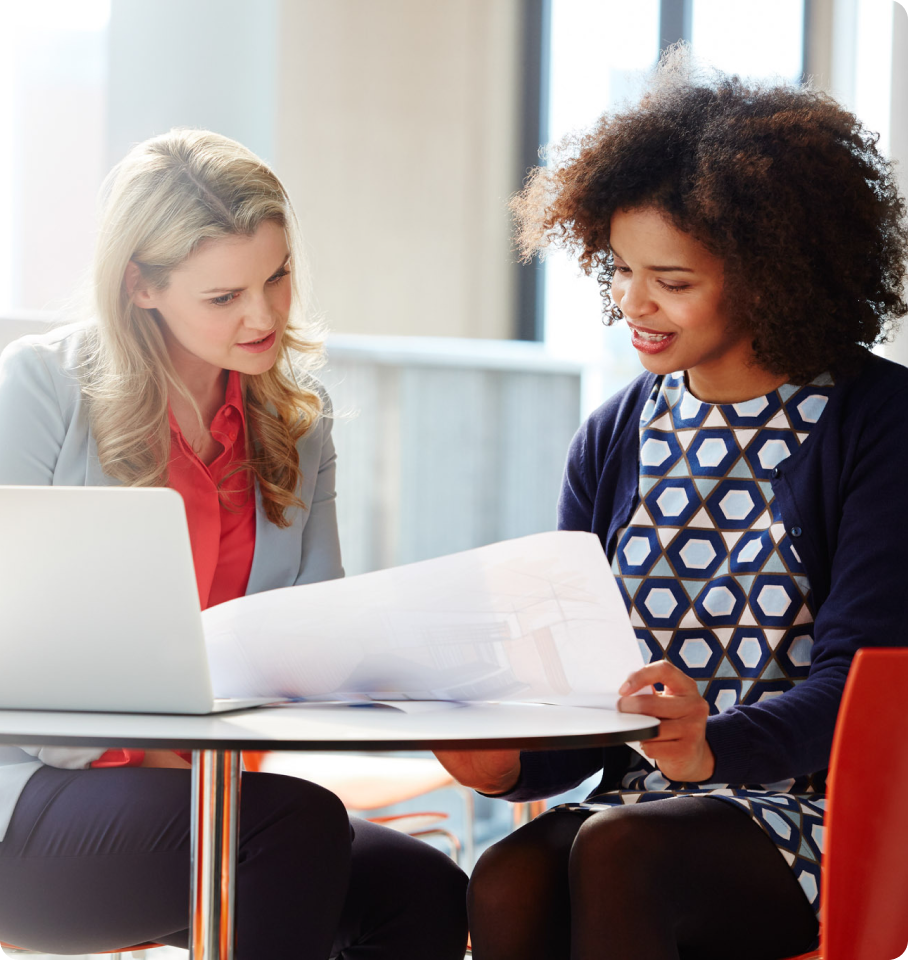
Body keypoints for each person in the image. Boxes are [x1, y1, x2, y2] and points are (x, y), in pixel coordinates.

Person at [435, 50, 908, 960]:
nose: (633, 304)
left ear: (774, 274)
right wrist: (508, 765)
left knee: (619, 854)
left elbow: (861, 692)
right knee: (508, 875)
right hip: (650, 802)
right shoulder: (616, 436)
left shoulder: (877, 424)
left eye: (673, 281)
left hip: (824, 813)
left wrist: (708, 751)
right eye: (619, 270)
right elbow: (591, 699)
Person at [0, 129, 468, 958]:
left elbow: (317, 630)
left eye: (278, 276)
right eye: (224, 297)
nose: (264, 316)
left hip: (207, 792)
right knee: (291, 828)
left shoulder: (297, 420)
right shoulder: (41, 388)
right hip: (31, 795)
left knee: (423, 888)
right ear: (141, 286)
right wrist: (150, 743)